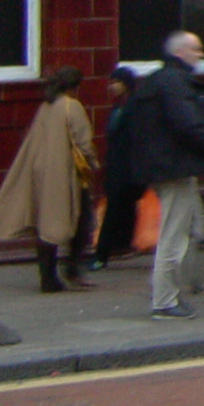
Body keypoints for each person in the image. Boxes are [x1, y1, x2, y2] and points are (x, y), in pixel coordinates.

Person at [122, 30, 204, 319]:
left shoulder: (158, 81)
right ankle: (164, 301)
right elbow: (187, 124)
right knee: (174, 236)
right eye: (195, 49)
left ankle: (182, 287)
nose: (200, 55)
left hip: (168, 167)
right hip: (174, 169)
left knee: (194, 226)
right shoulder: (174, 83)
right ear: (179, 52)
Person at [0, 67, 98, 292]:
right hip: (67, 174)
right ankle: (71, 268)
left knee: (47, 222)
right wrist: (93, 163)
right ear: (73, 86)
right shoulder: (72, 107)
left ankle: (47, 275)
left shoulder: (45, 106)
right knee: (81, 220)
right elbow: (84, 143)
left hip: (42, 172)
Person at [88, 65, 146, 270]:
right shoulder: (118, 108)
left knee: (114, 211)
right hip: (117, 168)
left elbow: (137, 140)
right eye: (111, 82)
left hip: (127, 170)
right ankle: (115, 248)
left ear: (127, 84)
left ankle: (101, 255)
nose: (112, 86)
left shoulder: (134, 108)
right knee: (118, 209)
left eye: (117, 83)